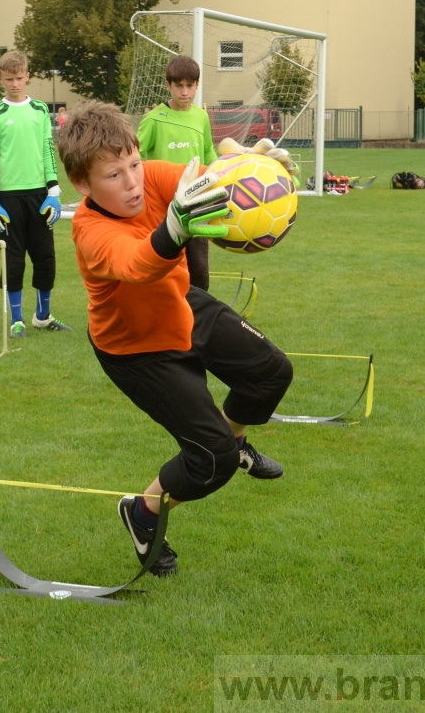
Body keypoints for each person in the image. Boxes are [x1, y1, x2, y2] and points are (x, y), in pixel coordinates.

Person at [56, 101, 292, 577]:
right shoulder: (91, 232)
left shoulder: (154, 176)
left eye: (134, 165)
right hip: (138, 349)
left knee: (271, 373)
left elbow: (215, 177)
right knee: (211, 462)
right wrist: (175, 225)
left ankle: (237, 438)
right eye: (113, 176)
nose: (132, 182)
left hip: (182, 305)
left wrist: (254, 167)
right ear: (82, 184)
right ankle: (142, 513)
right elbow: (139, 263)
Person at [0, 51, 71, 338]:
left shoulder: (41, 110)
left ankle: (43, 317)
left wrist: (54, 191)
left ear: (27, 76)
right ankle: (16, 320)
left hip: (39, 195)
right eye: (9, 79)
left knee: (45, 257)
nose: (15, 84)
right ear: (1, 80)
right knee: (14, 259)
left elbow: (47, 148)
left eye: (19, 78)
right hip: (7, 197)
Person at [135, 55, 219, 291]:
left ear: (197, 85)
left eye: (189, 86)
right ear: (167, 86)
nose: (184, 92)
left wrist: (221, 172)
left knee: (199, 268)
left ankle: (197, 320)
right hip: (163, 207)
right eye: (178, 86)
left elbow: (208, 151)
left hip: (197, 202)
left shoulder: (201, 116)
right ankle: (167, 317)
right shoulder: (153, 119)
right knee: (167, 267)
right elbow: (134, 158)